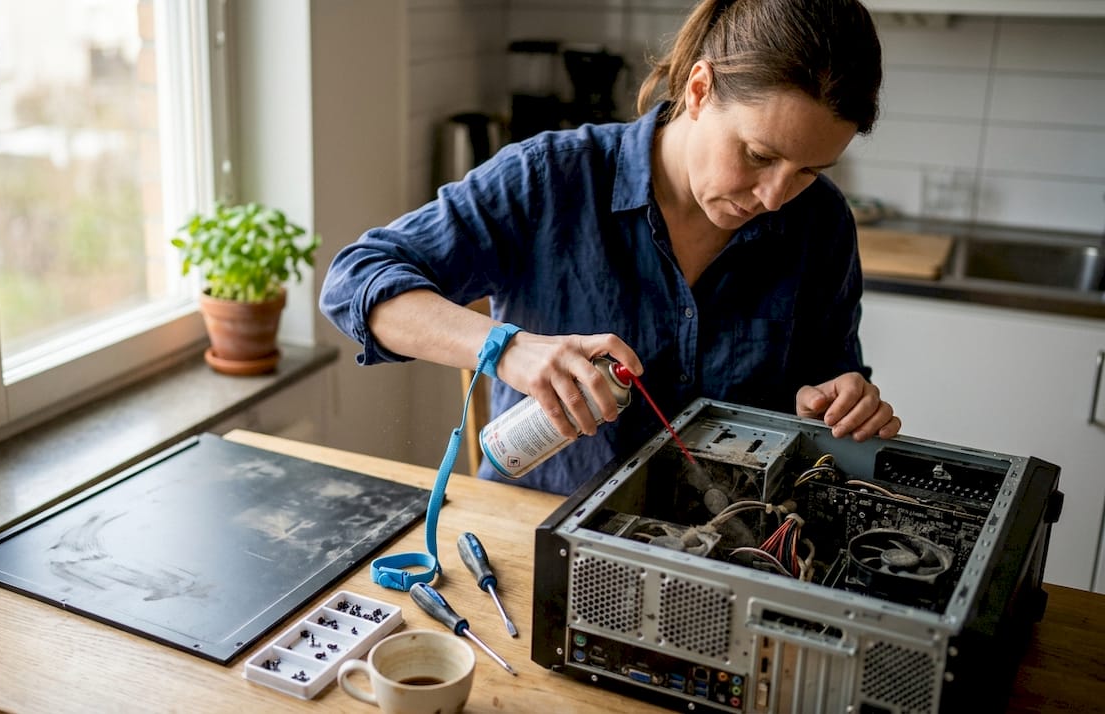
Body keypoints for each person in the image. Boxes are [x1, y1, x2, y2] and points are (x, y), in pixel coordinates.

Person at [320, 0, 901, 496]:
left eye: (807, 170)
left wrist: (837, 402)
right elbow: (355, 281)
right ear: (699, 91)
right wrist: (506, 349)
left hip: (733, 550)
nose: (776, 197)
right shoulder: (550, 179)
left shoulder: (819, 220)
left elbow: (833, 376)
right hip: (544, 533)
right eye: (758, 155)